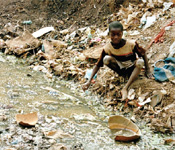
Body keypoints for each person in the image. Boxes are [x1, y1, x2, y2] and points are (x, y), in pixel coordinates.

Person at [82, 21, 152, 100]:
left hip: (132, 67)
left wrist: (147, 69)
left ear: (122, 34)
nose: (116, 37)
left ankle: (125, 87)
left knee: (140, 62)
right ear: (109, 35)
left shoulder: (131, 44)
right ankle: (122, 75)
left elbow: (143, 54)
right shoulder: (107, 48)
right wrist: (89, 81)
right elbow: (98, 65)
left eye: (118, 34)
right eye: (113, 34)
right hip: (120, 69)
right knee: (106, 59)